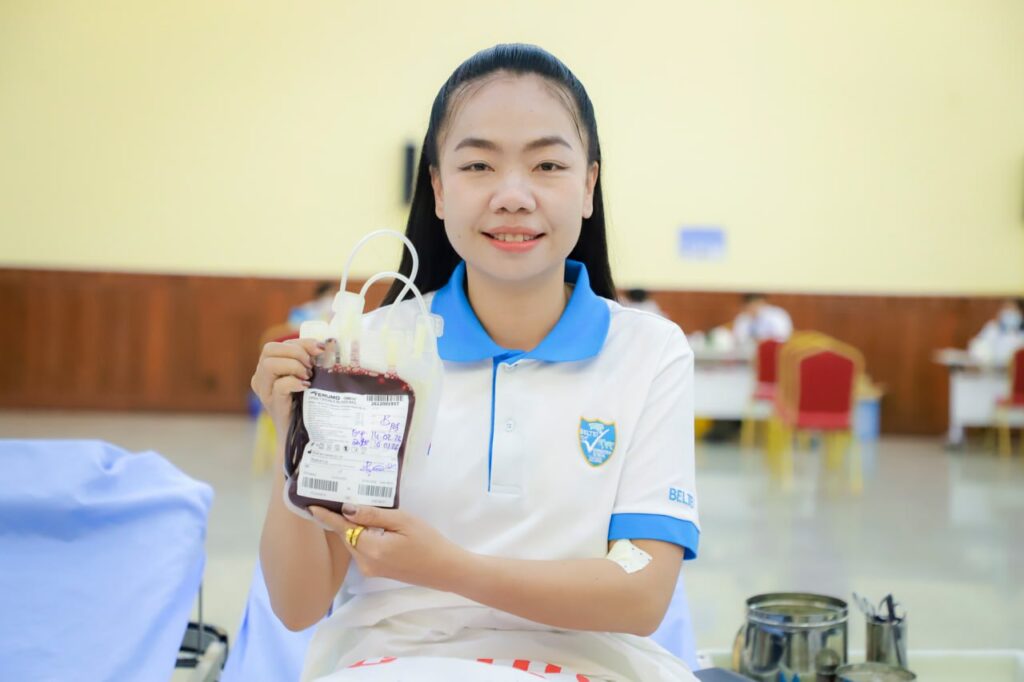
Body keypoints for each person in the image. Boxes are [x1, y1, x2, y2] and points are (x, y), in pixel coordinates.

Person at [251, 44, 700, 682]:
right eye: (478, 165)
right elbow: (298, 606)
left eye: (547, 164)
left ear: (588, 187)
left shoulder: (649, 352)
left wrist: (444, 568)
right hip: (393, 665)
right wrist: (293, 437)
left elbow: (641, 595)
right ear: (438, 189)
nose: (513, 196)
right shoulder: (370, 350)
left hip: (588, 666)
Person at [969, 297, 1024, 364]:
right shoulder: (992, 328)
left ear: (1021, 311)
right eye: (1006, 308)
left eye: (1012, 308)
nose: (1008, 312)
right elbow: (978, 347)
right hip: (991, 368)